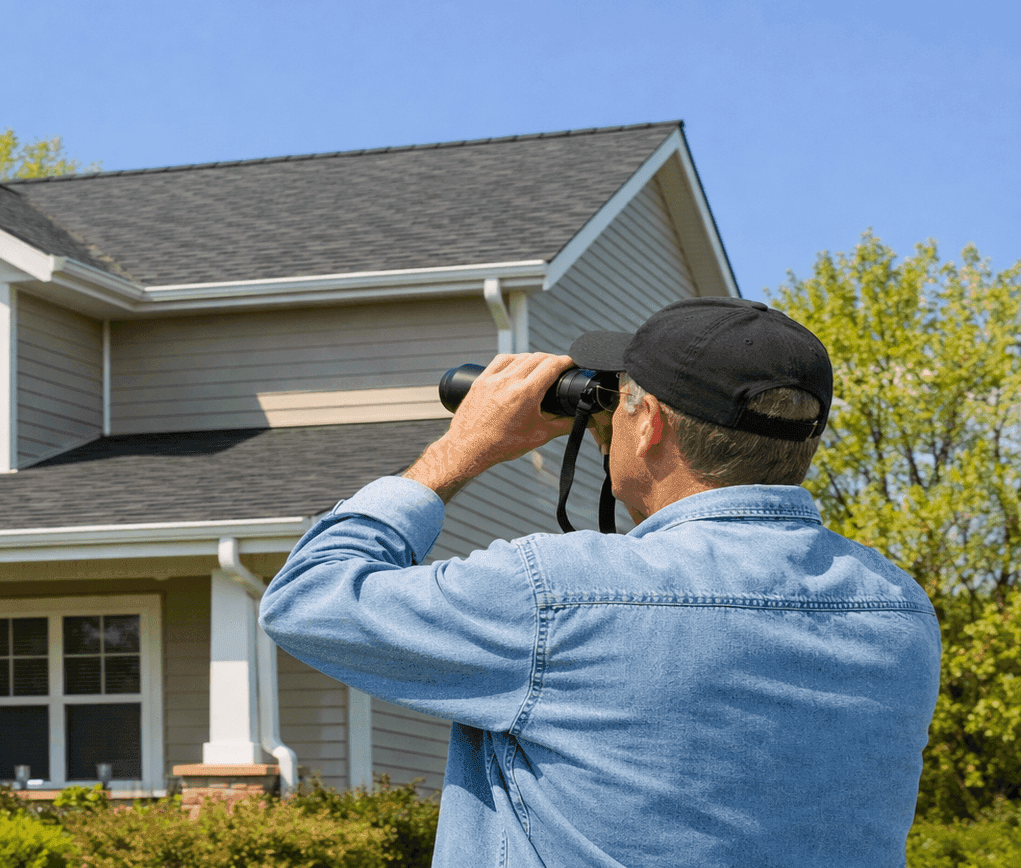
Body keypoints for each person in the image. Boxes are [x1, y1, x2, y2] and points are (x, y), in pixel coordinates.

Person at [259, 297, 941, 867]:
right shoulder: (900, 611)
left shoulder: (557, 594)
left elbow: (309, 599)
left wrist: (458, 452)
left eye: (618, 402)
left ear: (649, 426)